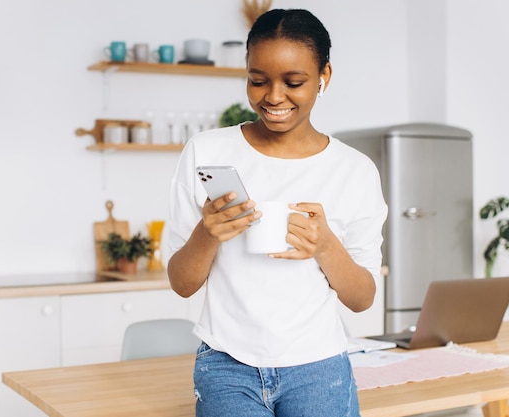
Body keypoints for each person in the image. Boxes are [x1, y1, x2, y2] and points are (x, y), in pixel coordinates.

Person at [166, 8, 387, 417]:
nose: (273, 97)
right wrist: (208, 233)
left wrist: (325, 247)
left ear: (325, 76)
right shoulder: (207, 151)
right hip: (227, 365)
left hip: (319, 368)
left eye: (294, 82)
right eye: (258, 80)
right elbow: (181, 283)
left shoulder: (354, 171)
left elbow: (362, 298)